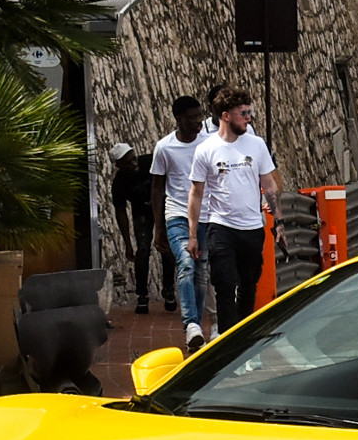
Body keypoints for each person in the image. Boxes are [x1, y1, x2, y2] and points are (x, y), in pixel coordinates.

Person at [188, 89, 278, 340]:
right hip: (220, 226)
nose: (248, 117)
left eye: (249, 112)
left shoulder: (257, 144)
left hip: (251, 227)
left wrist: (277, 220)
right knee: (225, 284)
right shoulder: (206, 149)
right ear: (225, 116)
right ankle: (228, 340)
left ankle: (245, 336)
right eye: (243, 113)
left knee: (248, 286)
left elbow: (268, 184)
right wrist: (193, 234)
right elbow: (196, 193)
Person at [150, 94, 210, 349]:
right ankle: (191, 325)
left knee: (201, 271)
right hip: (177, 214)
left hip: (206, 215)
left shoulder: (209, 144)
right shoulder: (164, 147)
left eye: (200, 115)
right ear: (179, 119)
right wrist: (158, 228)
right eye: (192, 117)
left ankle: (195, 326)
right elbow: (157, 187)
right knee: (186, 263)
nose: (198, 121)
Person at [107, 140, 164, 315]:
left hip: (162, 205)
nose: (134, 164)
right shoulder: (119, 184)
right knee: (143, 249)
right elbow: (121, 213)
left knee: (166, 247)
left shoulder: (149, 161)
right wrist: (127, 244)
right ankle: (142, 295)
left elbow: (168, 178)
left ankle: (168, 288)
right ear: (118, 166)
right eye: (128, 163)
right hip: (141, 212)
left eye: (134, 159)